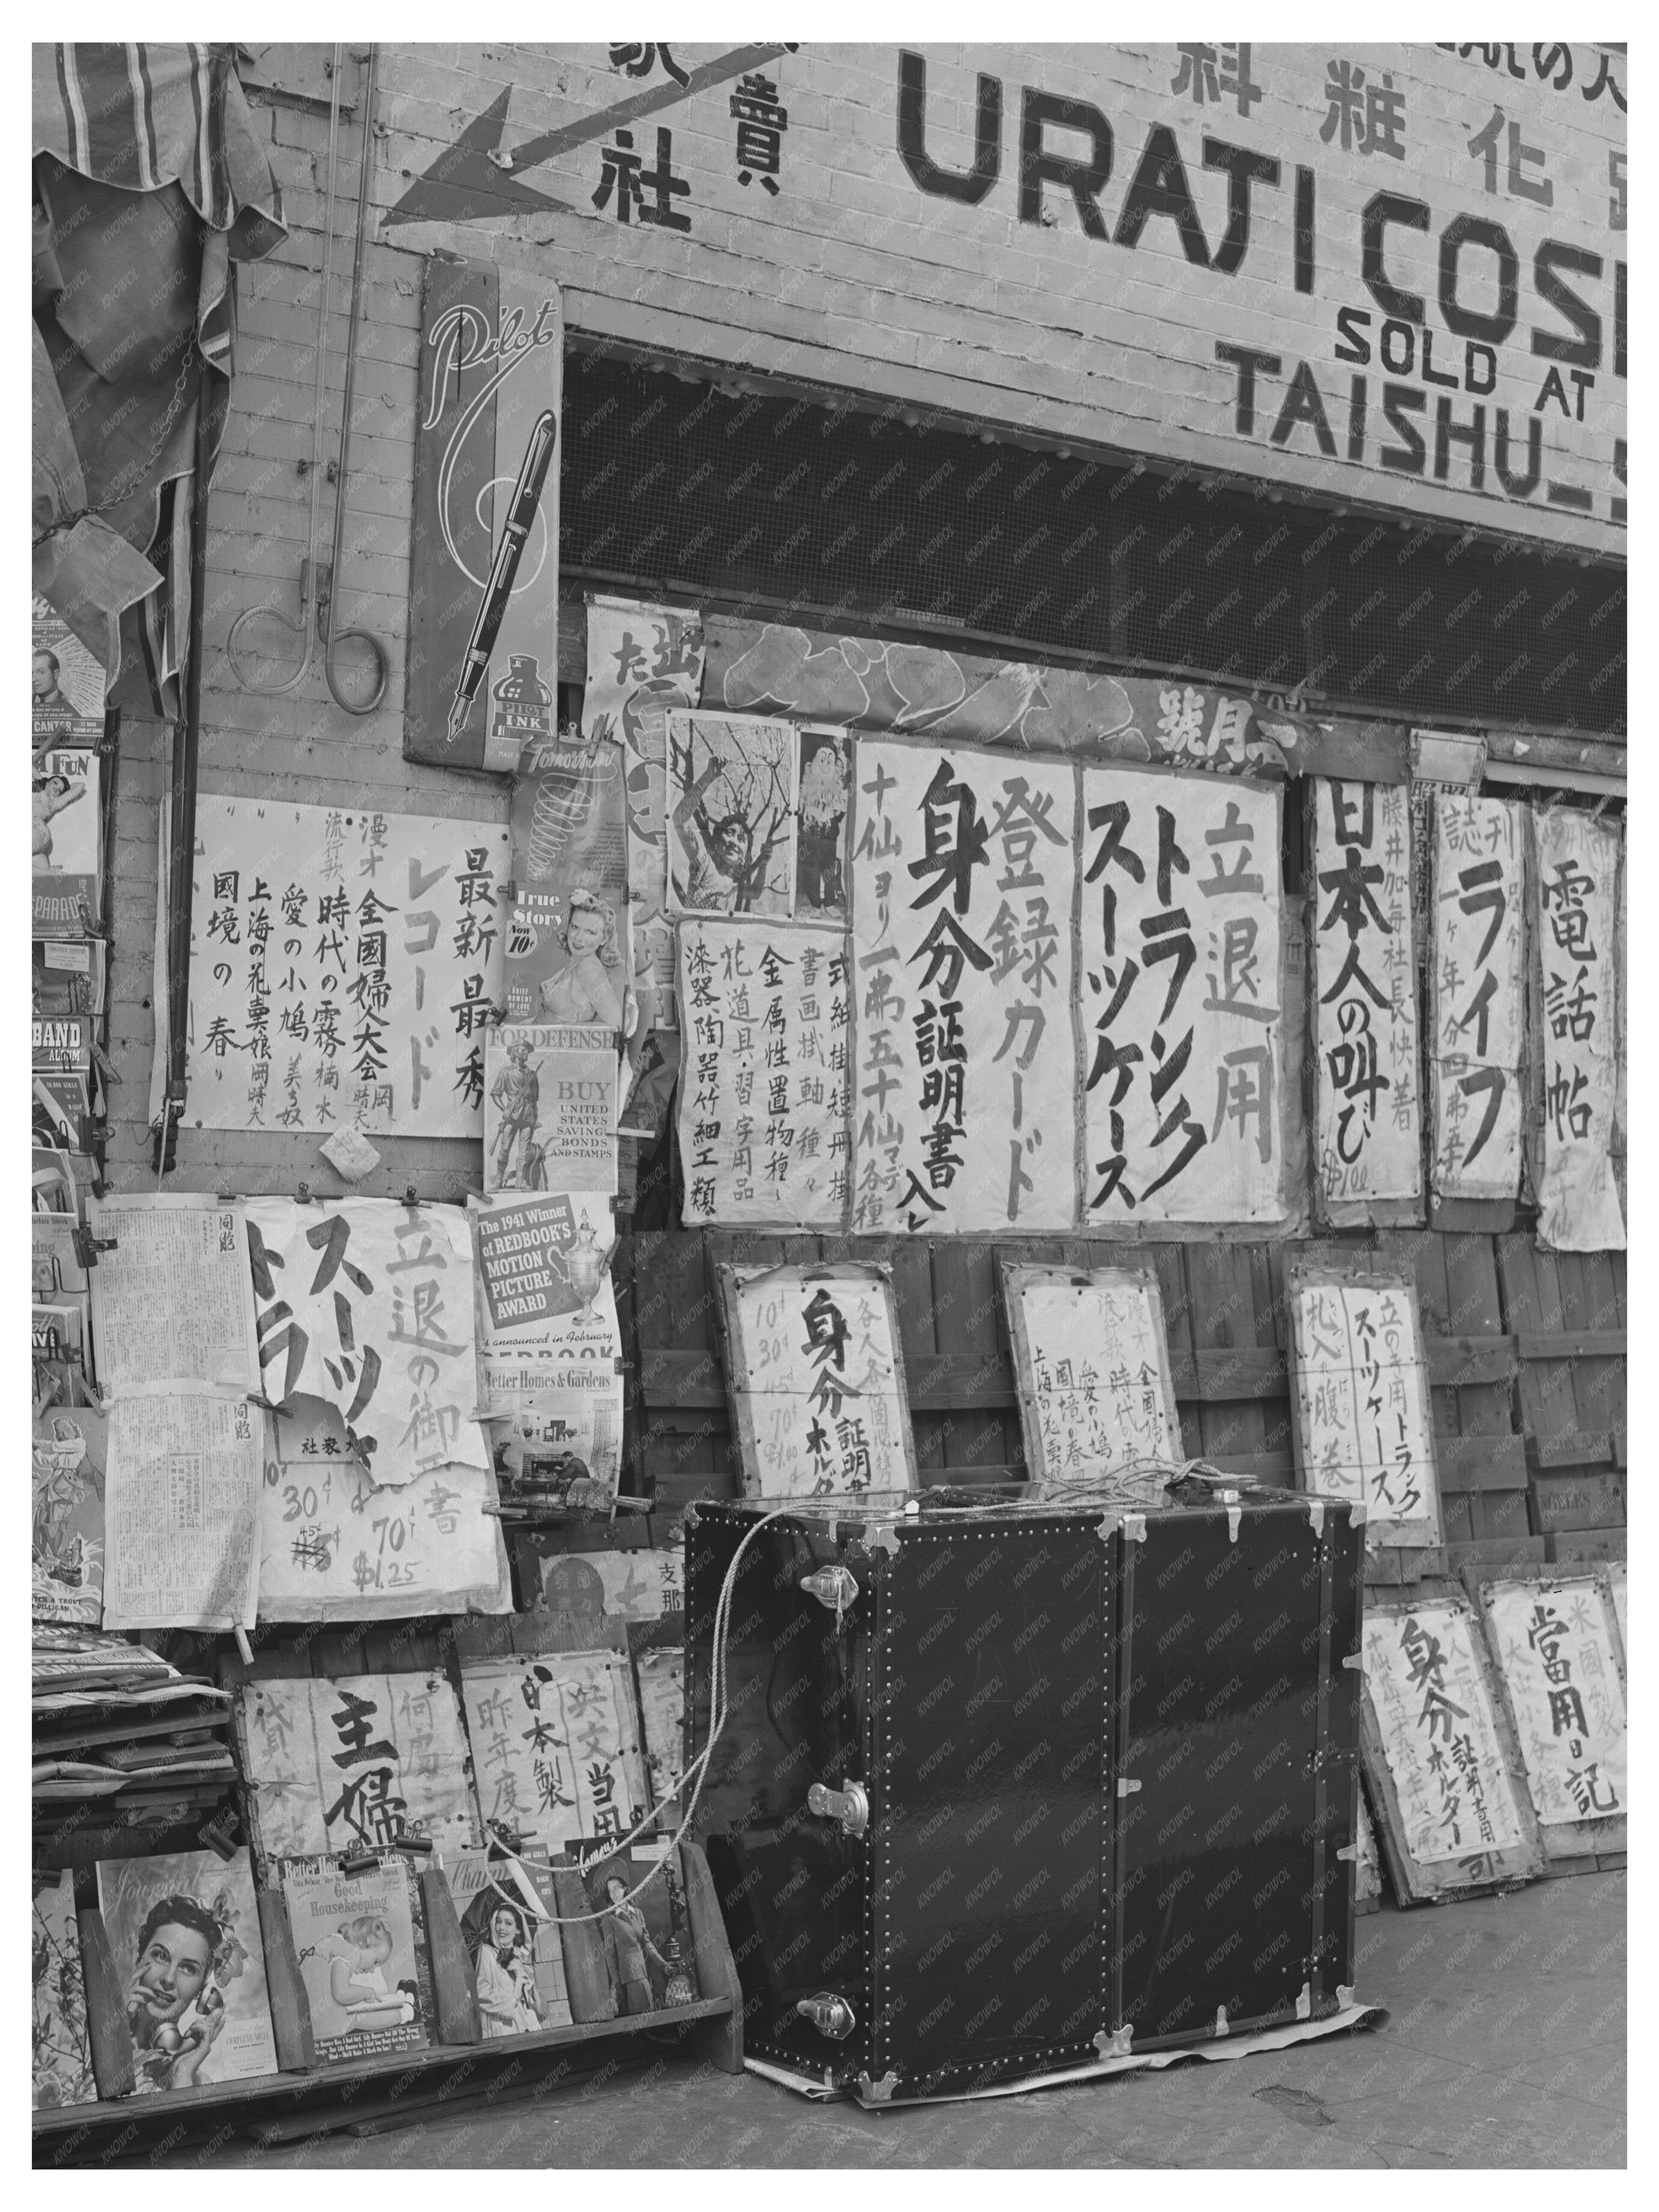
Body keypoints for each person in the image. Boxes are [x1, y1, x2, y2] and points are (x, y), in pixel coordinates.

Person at [125, 1895, 227, 2091]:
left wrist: (183, 2073)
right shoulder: (91, 2037)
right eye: (161, 1956)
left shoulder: (196, 2082)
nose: (169, 1979)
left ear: (202, 1989)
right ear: (140, 1958)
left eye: (188, 1969)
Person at [537, 889, 626, 1027]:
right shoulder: (577, 963)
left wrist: (568, 1030)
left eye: (590, 932)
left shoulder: (589, 969)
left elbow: (615, 1026)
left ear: (604, 939)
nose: (579, 938)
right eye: (575, 927)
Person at [672, 752, 748, 913]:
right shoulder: (704, 865)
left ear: (744, 858)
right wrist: (708, 777)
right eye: (730, 833)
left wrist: (764, 862)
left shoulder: (735, 888)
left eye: (741, 838)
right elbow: (680, 819)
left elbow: (757, 892)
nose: (734, 841)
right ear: (717, 841)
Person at [326, 1914, 417, 2032]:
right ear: (366, 1942)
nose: (373, 1970)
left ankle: (398, 2002)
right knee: (359, 2019)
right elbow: (342, 1994)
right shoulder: (345, 1952)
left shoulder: (337, 1943)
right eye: (376, 1962)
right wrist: (366, 1992)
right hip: (329, 2019)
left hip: (324, 2012)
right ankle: (407, 2012)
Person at [598, 1870, 669, 2016]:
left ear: (626, 1890)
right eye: (610, 1890)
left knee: (649, 2016)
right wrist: (617, 1983)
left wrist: (663, 1965)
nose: (613, 1893)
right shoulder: (609, 1918)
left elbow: (648, 1945)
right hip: (628, 1977)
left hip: (644, 1972)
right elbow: (610, 1955)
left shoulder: (637, 1913)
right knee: (643, 2018)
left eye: (616, 1888)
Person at [473, 1901, 543, 2038]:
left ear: (518, 1929)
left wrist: (529, 1983)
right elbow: (481, 1994)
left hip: (530, 2029)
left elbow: (542, 2011)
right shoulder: (487, 1952)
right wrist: (514, 1997)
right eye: (499, 1922)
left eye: (508, 1923)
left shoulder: (521, 1959)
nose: (501, 1928)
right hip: (505, 2031)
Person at [489, 1035, 539, 1187]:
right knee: (504, 1149)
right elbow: (496, 1094)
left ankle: (520, 1181)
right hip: (512, 1116)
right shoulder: (506, 1072)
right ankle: (499, 1179)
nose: (526, 1053)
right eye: (523, 1050)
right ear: (515, 1053)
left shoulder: (532, 1075)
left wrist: (535, 1118)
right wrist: (504, 1110)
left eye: (527, 1051)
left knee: (524, 1151)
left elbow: (535, 1098)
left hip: (529, 1117)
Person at [33, 772, 85, 867]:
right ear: (48, 782)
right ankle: (47, 872)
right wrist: (43, 780)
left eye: (60, 790)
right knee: (43, 874)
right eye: (56, 783)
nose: (57, 788)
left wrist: (65, 790)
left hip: (35, 828)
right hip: (38, 835)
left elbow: (81, 786)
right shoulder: (36, 787)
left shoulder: (54, 802)